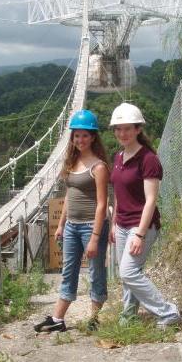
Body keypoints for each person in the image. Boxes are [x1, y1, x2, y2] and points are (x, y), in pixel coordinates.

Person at [34, 109, 110, 333]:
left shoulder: (99, 167)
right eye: (76, 135)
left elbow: (102, 205)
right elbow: (69, 195)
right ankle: (58, 319)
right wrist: (60, 225)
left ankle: (94, 318)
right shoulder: (71, 162)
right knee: (69, 271)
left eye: (85, 135)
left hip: (91, 227)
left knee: (96, 272)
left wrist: (95, 238)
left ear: (93, 137)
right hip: (71, 227)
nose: (80, 139)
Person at [109, 102, 181, 328]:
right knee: (129, 271)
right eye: (118, 129)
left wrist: (139, 234)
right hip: (121, 224)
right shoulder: (119, 157)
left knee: (128, 272)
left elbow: (151, 200)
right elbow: (119, 194)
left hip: (141, 225)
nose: (122, 133)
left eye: (127, 128)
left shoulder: (148, 159)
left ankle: (168, 312)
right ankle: (128, 313)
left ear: (138, 129)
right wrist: (113, 224)